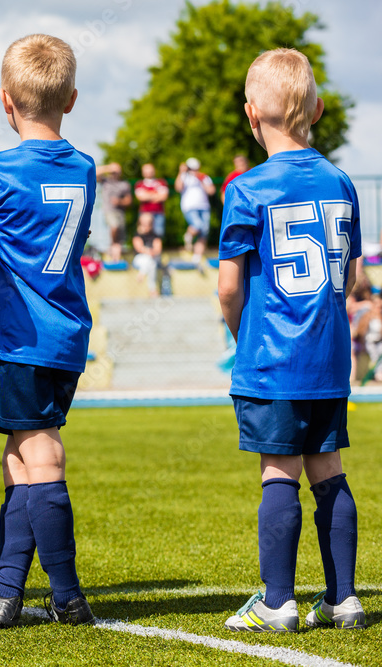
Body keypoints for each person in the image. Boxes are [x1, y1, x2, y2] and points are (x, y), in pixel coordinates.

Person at [0, 33, 96, 629]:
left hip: (16, 333)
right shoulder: (83, 167)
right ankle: (6, 594)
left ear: (6, 102)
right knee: (20, 453)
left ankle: (66, 595)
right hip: (64, 333)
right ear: (73, 99)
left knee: (41, 451)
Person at [219, 48, 365, 633]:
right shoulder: (342, 180)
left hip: (272, 360)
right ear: (319, 108)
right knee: (328, 469)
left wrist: (239, 332)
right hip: (328, 360)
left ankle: (278, 602)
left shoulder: (246, 187)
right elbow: (350, 277)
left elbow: (230, 288)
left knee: (278, 473)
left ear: (252, 114)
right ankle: (343, 598)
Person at [176, 157, 216, 267]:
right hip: (189, 207)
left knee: (204, 232)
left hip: (204, 207)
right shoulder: (184, 177)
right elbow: (178, 187)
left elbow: (211, 191)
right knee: (197, 225)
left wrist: (200, 179)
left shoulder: (204, 177)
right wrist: (181, 172)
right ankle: (188, 236)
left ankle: (197, 258)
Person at [99, 162, 131, 261]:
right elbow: (93, 171)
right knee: (114, 226)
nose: (114, 173)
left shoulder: (124, 184)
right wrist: (108, 168)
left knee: (119, 239)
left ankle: (115, 257)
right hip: (108, 211)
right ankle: (111, 247)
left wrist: (119, 201)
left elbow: (129, 201)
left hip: (120, 213)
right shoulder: (105, 181)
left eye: (116, 171)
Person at [131, 212, 163, 297]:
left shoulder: (155, 236)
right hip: (139, 260)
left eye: (149, 223)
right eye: (144, 223)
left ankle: (142, 273)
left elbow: (158, 250)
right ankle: (152, 290)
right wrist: (150, 252)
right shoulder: (137, 235)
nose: (146, 225)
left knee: (151, 262)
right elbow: (139, 248)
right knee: (150, 260)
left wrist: (148, 252)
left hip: (151, 260)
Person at [133, 163, 169, 238]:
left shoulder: (161, 182)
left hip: (158, 212)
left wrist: (147, 195)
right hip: (144, 212)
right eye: (146, 170)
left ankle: (156, 249)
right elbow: (141, 197)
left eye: (150, 169)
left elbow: (163, 197)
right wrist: (156, 194)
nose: (149, 172)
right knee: (144, 233)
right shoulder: (139, 184)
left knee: (158, 233)